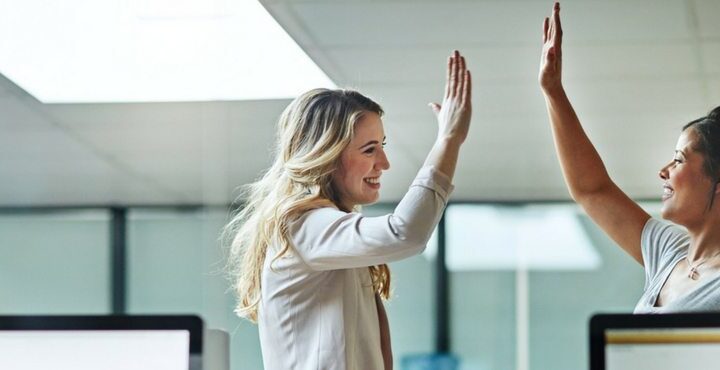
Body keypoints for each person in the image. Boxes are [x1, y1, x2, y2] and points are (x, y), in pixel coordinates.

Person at [224, 50, 472, 369]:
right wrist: (448, 140)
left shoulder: (331, 231)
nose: (384, 163)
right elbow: (405, 232)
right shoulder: (303, 226)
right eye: (370, 150)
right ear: (326, 155)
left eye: (382, 147)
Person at [539, 2, 720, 313]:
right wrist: (553, 92)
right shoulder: (669, 250)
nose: (664, 171)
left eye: (678, 160)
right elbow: (592, 190)